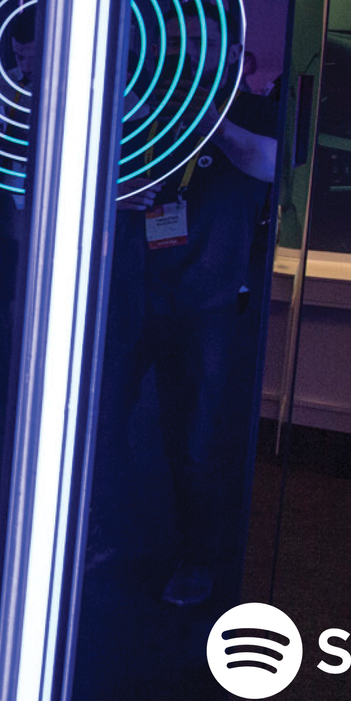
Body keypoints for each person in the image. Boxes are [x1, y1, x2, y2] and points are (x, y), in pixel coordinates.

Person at [139, 82, 280, 608]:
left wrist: (210, 122)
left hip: (208, 302)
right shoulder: (142, 97)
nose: (187, 53)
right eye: (178, 39)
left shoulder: (252, 111)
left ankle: (199, 559)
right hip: (135, 285)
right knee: (102, 421)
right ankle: (114, 538)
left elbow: (269, 164)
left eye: (200, 40)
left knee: (195, 439)